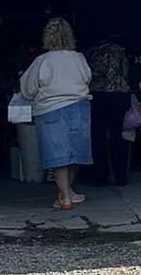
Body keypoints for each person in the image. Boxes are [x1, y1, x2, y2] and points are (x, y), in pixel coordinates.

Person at [20, 17, 92, 210]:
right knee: (74, 154)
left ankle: (66, 197)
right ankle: (67, 192)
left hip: (51, 109)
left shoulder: (42, 61)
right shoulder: (79, 58)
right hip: (79, 107)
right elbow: (87, 78)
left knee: (58, 155)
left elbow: (27, 88)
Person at [87, 32, 132, 187]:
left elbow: (91, 75)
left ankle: (101, 176)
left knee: (98, 137)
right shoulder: (120, 51)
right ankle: (121, 177)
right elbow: (125, 73)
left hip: (99, 96)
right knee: (117, 136)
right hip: (119, 96)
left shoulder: (93, 53)